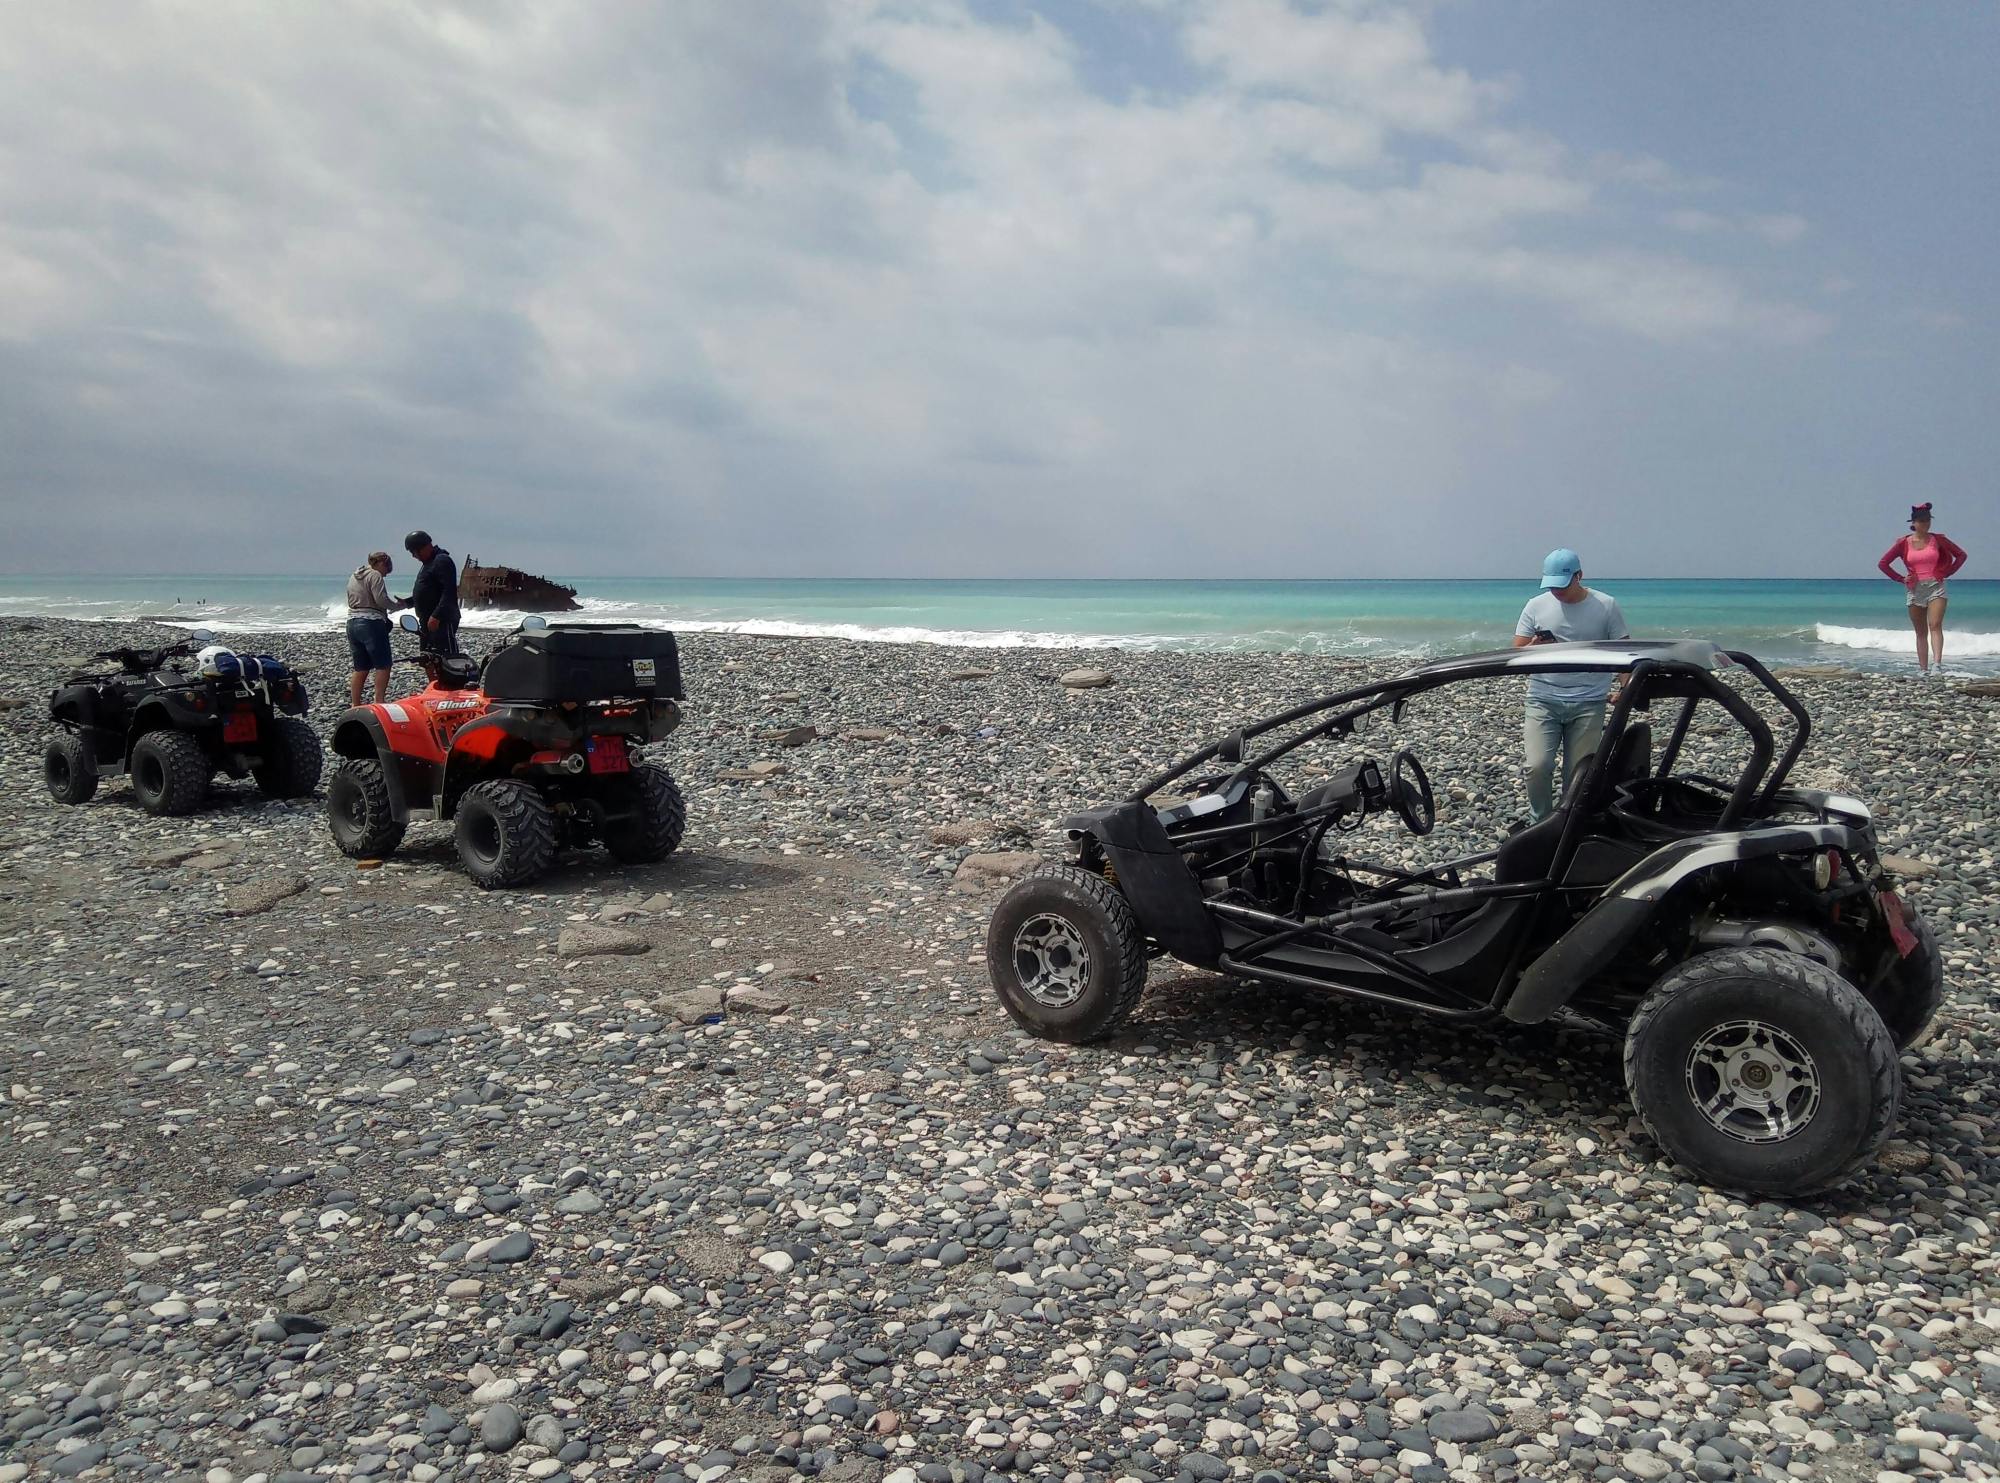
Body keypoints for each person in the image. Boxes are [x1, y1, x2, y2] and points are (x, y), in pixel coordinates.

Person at [1512, 548, 1630, 823]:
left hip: (1589, 700)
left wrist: (1626, 690)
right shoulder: (1535, 605)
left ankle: (1568, 823)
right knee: (1536, 766)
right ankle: (1539, 821)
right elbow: (1517, 651)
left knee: (1578, 774)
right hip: (1543, 698)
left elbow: (1624, 654)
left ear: (1579, 576)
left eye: (1562, 585)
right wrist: (1533, 647)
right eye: (1551, 586)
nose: (1557, 592)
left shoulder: (1606, 605)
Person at [1878, 502, 1968, 676]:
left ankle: (1937, 665)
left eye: (1928, 520)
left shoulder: (1938, 539)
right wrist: (1901, 578)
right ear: (1914, 523)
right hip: (1915, 588)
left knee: (1935, 625)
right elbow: (1883, 564)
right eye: (1921, 521)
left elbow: (1961, 555)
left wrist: (1946, 572)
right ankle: (1923, 669)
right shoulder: (1903, 543)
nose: (1925, 524)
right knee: (1920, 631)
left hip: (1936, 586)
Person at [345, 551, 402, 705]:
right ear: (383, 563)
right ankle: (379, 701)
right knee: (383, 664)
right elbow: (381, 599)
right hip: (371, 622)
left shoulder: (354, 575)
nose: (386, 575)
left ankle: (355, 704)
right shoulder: (375, 575)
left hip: (352, 621)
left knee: (361, 667)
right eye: (387, 570)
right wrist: (395, 606)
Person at [404, 530, 461, 657]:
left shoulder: (442, 560)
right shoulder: (428, 563)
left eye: (414, 552)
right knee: (426, 657)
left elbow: (449, 592)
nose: (414, 556)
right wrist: (407, 602)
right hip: (426, 619)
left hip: (442, 620)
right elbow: (428, 591)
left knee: (446, 657)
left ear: (425, 547)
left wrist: (437, 616)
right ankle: (434, 678)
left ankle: (448, 677)